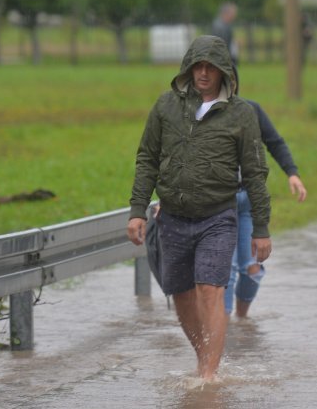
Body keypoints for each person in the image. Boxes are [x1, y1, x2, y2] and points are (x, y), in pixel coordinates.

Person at [126, 35, 271, 382]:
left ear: (224, 72)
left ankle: (208, 375)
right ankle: (204, 355)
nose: (203, 73)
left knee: (211, 289)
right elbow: (147, 157)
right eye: (197, 66)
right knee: (181, 296)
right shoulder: (166, 106)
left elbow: (255, 172)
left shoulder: (241, 114)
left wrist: (262, 229)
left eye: (211, 67)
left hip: (217, 217)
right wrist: (137, 209)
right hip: (173, 217)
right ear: (188, 68)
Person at [225, 70, 307, 318]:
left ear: (235, 83)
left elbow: (275, 142)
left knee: (252, 268)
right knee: (224, 272)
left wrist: (292, 173)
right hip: (220, 203)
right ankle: (222, 332)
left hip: (249, 201)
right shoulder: (202, 115)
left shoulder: (252, 110)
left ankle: (242, 321)